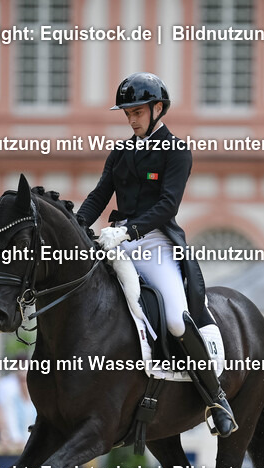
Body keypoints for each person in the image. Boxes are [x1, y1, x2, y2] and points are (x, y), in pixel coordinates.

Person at [74, 72, 236, 438]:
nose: (131, 118)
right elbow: (100, 196)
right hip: (117, 241)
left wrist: (129, 230)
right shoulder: (120, 152)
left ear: (157, 109)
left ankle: (215, 398)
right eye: (127, 112)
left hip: (155, 243)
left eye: (137, 111)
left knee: (178, 320)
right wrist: (76, 227)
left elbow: (167, 205)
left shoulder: (177, 151)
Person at [0, 365, 36, 448]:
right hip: (17, 445)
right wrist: (18, 440)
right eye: (22, 380)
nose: (24, 383)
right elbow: (11, 422)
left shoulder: (37, 399)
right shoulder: (11, 399)